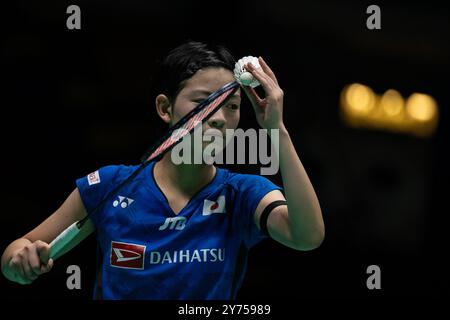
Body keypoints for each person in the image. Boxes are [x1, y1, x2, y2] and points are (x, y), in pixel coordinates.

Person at [1, 41, 324, 299]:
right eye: (203, 103)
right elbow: (19, 249)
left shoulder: (242, 194)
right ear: (165, 108)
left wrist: (276, 129)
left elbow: (306, 237)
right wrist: (19, 263)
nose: (218, 118)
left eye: (232, 106)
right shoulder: (112, 186)